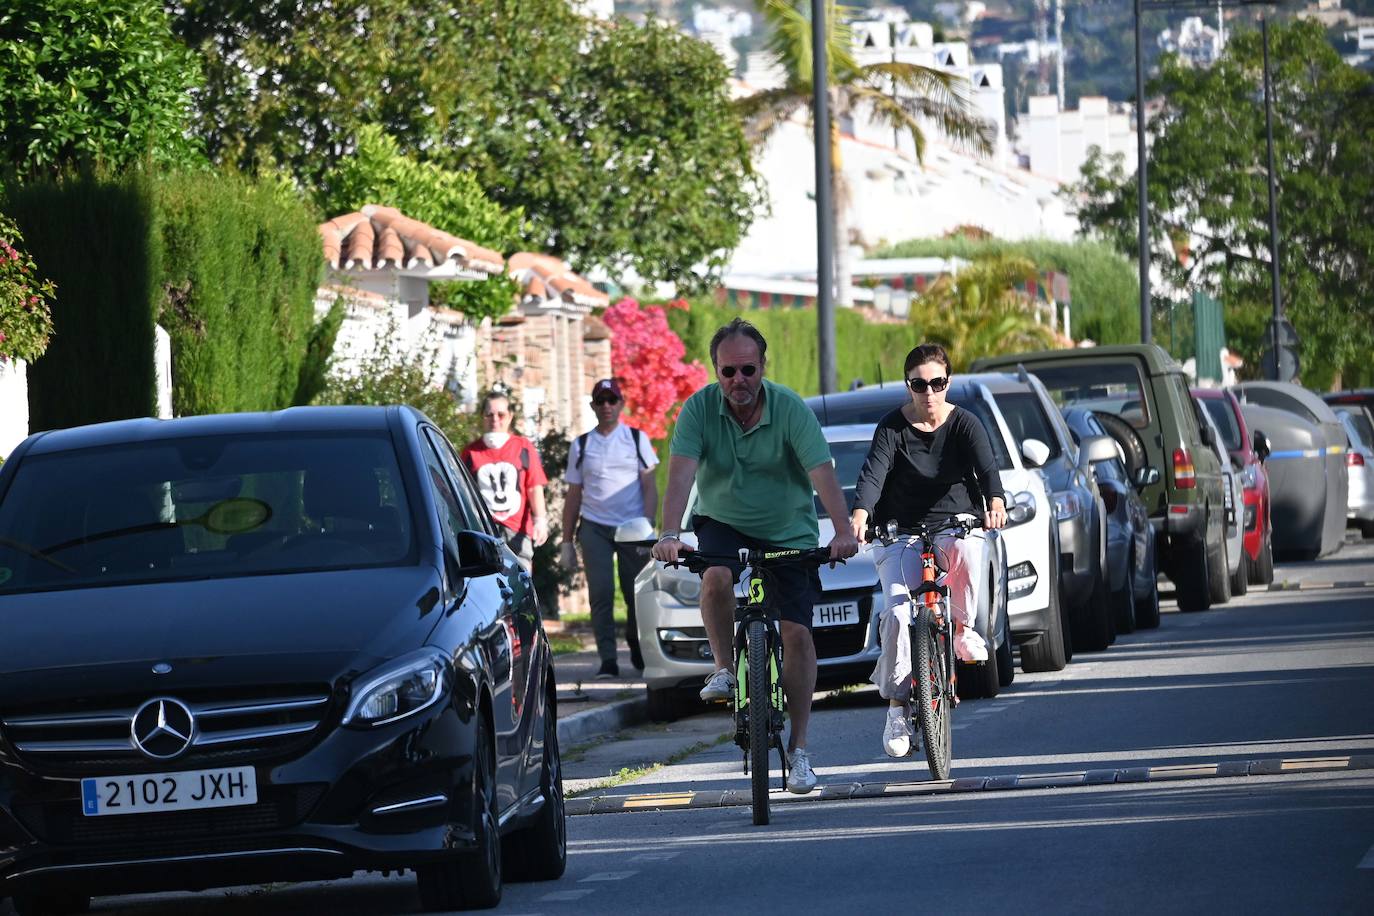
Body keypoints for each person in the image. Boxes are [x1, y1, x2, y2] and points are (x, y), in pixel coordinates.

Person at [652, 318, 858, 795]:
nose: (738, 381)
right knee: (716, 576)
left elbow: (821, 473)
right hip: (721, 518)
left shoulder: (789, 409)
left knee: (798, 635)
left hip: (787, 525)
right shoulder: (699, 410)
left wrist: (843, 531)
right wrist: (667, 532)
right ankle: (724, 668)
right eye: (728, 372)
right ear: (715, 371)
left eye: (747, 370)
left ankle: (801, 751)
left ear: (763, 366)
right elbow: (680, 475)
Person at [848, 343, 1008, 759]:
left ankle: (962, 629)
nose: (929, 392)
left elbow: (986, 468)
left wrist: (995, 500)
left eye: (937, 383)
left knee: (969, 548)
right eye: (919, 384)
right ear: (909, 387)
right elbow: (872, 475)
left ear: (947, 383)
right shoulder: (891, 428)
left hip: (955, 523)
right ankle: (897, 708)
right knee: (899, 614)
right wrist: (862, 514)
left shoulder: (965, 424)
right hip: (900, 531)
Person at [560, 378, 660, 680]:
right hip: (594, 527)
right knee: (601, 594)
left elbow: (649, 485)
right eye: (600, 401)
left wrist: (647, 524)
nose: (606, 406)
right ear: (593, 406)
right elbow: (574, 493)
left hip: (632, 528)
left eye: (611, 400)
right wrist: (566, 541)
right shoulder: (582, 444)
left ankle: (638, 646)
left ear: (621, 404)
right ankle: (608, 660)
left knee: (635, 594)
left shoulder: (635, 438)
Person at [461, 391, 549, 572]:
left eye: (500, 414)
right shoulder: (470, 453)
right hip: (484, 530)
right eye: (489, 414)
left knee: (520, 581)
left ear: (509, 417)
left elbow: (534, 486)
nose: (495, 419)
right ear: (482, 417)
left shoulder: (523, 447)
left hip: (518, 531)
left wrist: (540, 519)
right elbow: (462, 491)